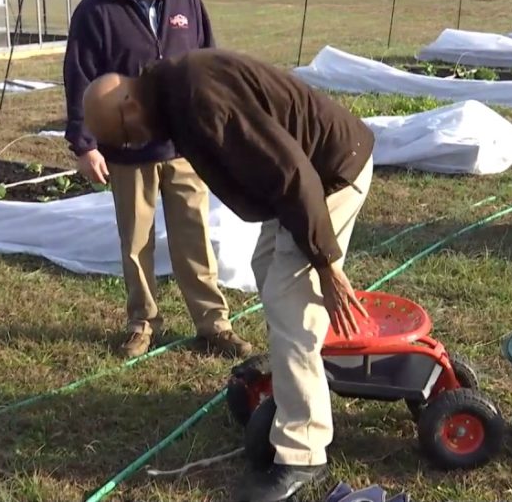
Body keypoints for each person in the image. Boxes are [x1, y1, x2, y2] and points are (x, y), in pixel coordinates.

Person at [81, 48, 376, 502]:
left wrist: (326, 263)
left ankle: (304, 450)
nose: (129, 147)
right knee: (268, 270)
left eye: (123, 137)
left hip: (329, 175)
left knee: (289, 301)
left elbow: (294, 174)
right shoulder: (173, 94)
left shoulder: (199, 98)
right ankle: (296, 389)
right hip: (305, 182)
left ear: (129, 105)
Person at [62, 0, 251, 360]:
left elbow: (209, 66)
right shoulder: (96, 11)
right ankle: (142, 322)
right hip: (128, 150)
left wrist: (214, 124)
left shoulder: (186, 0)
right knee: (137, 241)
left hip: (184, 146)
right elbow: (79, 79)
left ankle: (213, 324)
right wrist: (85, 144)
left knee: (194, 236)